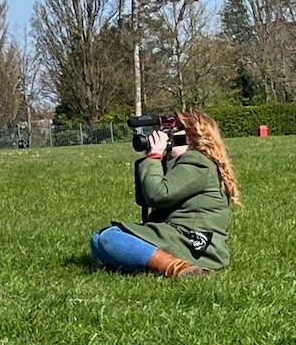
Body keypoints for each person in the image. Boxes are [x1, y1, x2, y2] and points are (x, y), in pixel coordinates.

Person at [90, 108, 240, 278]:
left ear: (191, 137)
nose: (166, 137)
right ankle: (154, 264)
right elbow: (145, 199)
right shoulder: (185, 163)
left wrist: (154, 158)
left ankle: (179, 268)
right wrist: (157, 160)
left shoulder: (197, 162)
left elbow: (158, 195)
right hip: (180, 236)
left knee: (110, 237)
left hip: (194, 243)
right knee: (97, 240)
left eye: (172, 132)